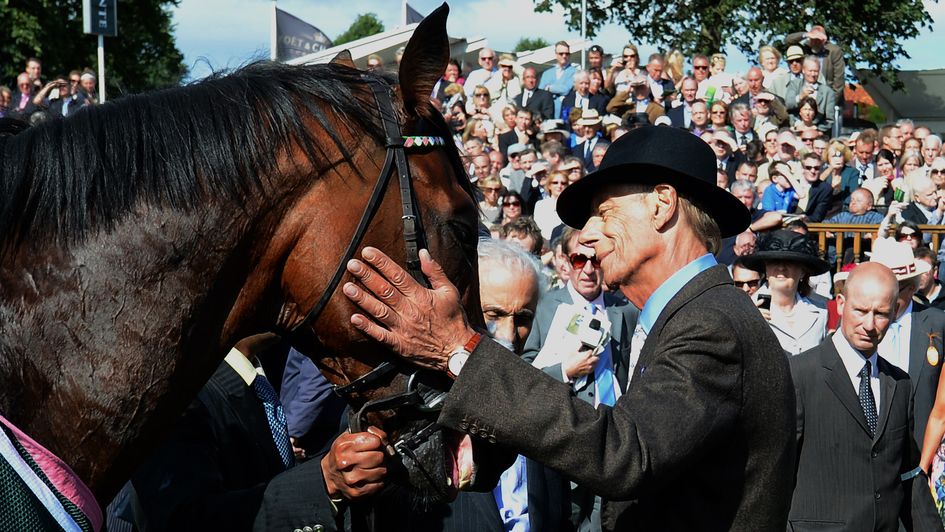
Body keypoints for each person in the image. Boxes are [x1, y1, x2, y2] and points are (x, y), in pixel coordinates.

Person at [340, 125, 796, 530]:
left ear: (662, 204)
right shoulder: (695, 314)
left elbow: (624, 454)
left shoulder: (709, 323)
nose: (588, 235)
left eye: (604, 213)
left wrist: (458, 349)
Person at [788, 263, 941, 532]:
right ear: (840, 303)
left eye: (880, 314)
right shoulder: (799, 374)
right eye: (860, 311)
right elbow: (774, 469)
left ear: (895, 312)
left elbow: (907, 472)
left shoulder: (900, 384)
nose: (869, 325)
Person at [522, 227, 640, 531]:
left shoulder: (624, 309)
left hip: (611, 431)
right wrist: (565, 370)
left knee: (606, 517)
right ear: (564, 261)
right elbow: (525, 369)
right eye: (578, 260)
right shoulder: (547, 306)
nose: (587, 269)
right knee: (567, 515)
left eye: (595, 260)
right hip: (566, 428)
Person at [868, 238, 945, 447]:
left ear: (911, 288)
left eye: (892, 290)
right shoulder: (857, 325)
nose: (881, 298)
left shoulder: (938, 324)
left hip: (924, 451)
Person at [744, 230, 829, 355]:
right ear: (765, 269)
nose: (781, 267)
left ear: (803, 271)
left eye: (790, 262)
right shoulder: (747, 309)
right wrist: (748, 326)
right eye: (774, 261)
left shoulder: (820, 310)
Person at [786, 56, 836, 134]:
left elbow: (830, 119)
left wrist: (817, 130)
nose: (813, 74)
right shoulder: (794, 85)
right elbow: (788, 105)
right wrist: (800, 97)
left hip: (817, 132)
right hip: (796, 129)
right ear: (803, 70)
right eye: (810, 71)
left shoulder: (828, 92)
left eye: (816, 71)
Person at [540, 41, 579, 117]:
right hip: (547, 113)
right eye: (561, 54)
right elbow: (541, 92)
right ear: (556, 55)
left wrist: (549, 88)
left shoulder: (575, 72)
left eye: (567, 54)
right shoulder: (547, 73)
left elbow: (566, 89)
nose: (564, 56)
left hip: (565, 113)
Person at [533, 171, 569, 239]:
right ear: (549, 185)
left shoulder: (572, 205)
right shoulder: (541, 205)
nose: (559, 186)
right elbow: (539, 229)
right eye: (555, 183)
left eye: (563, 183)